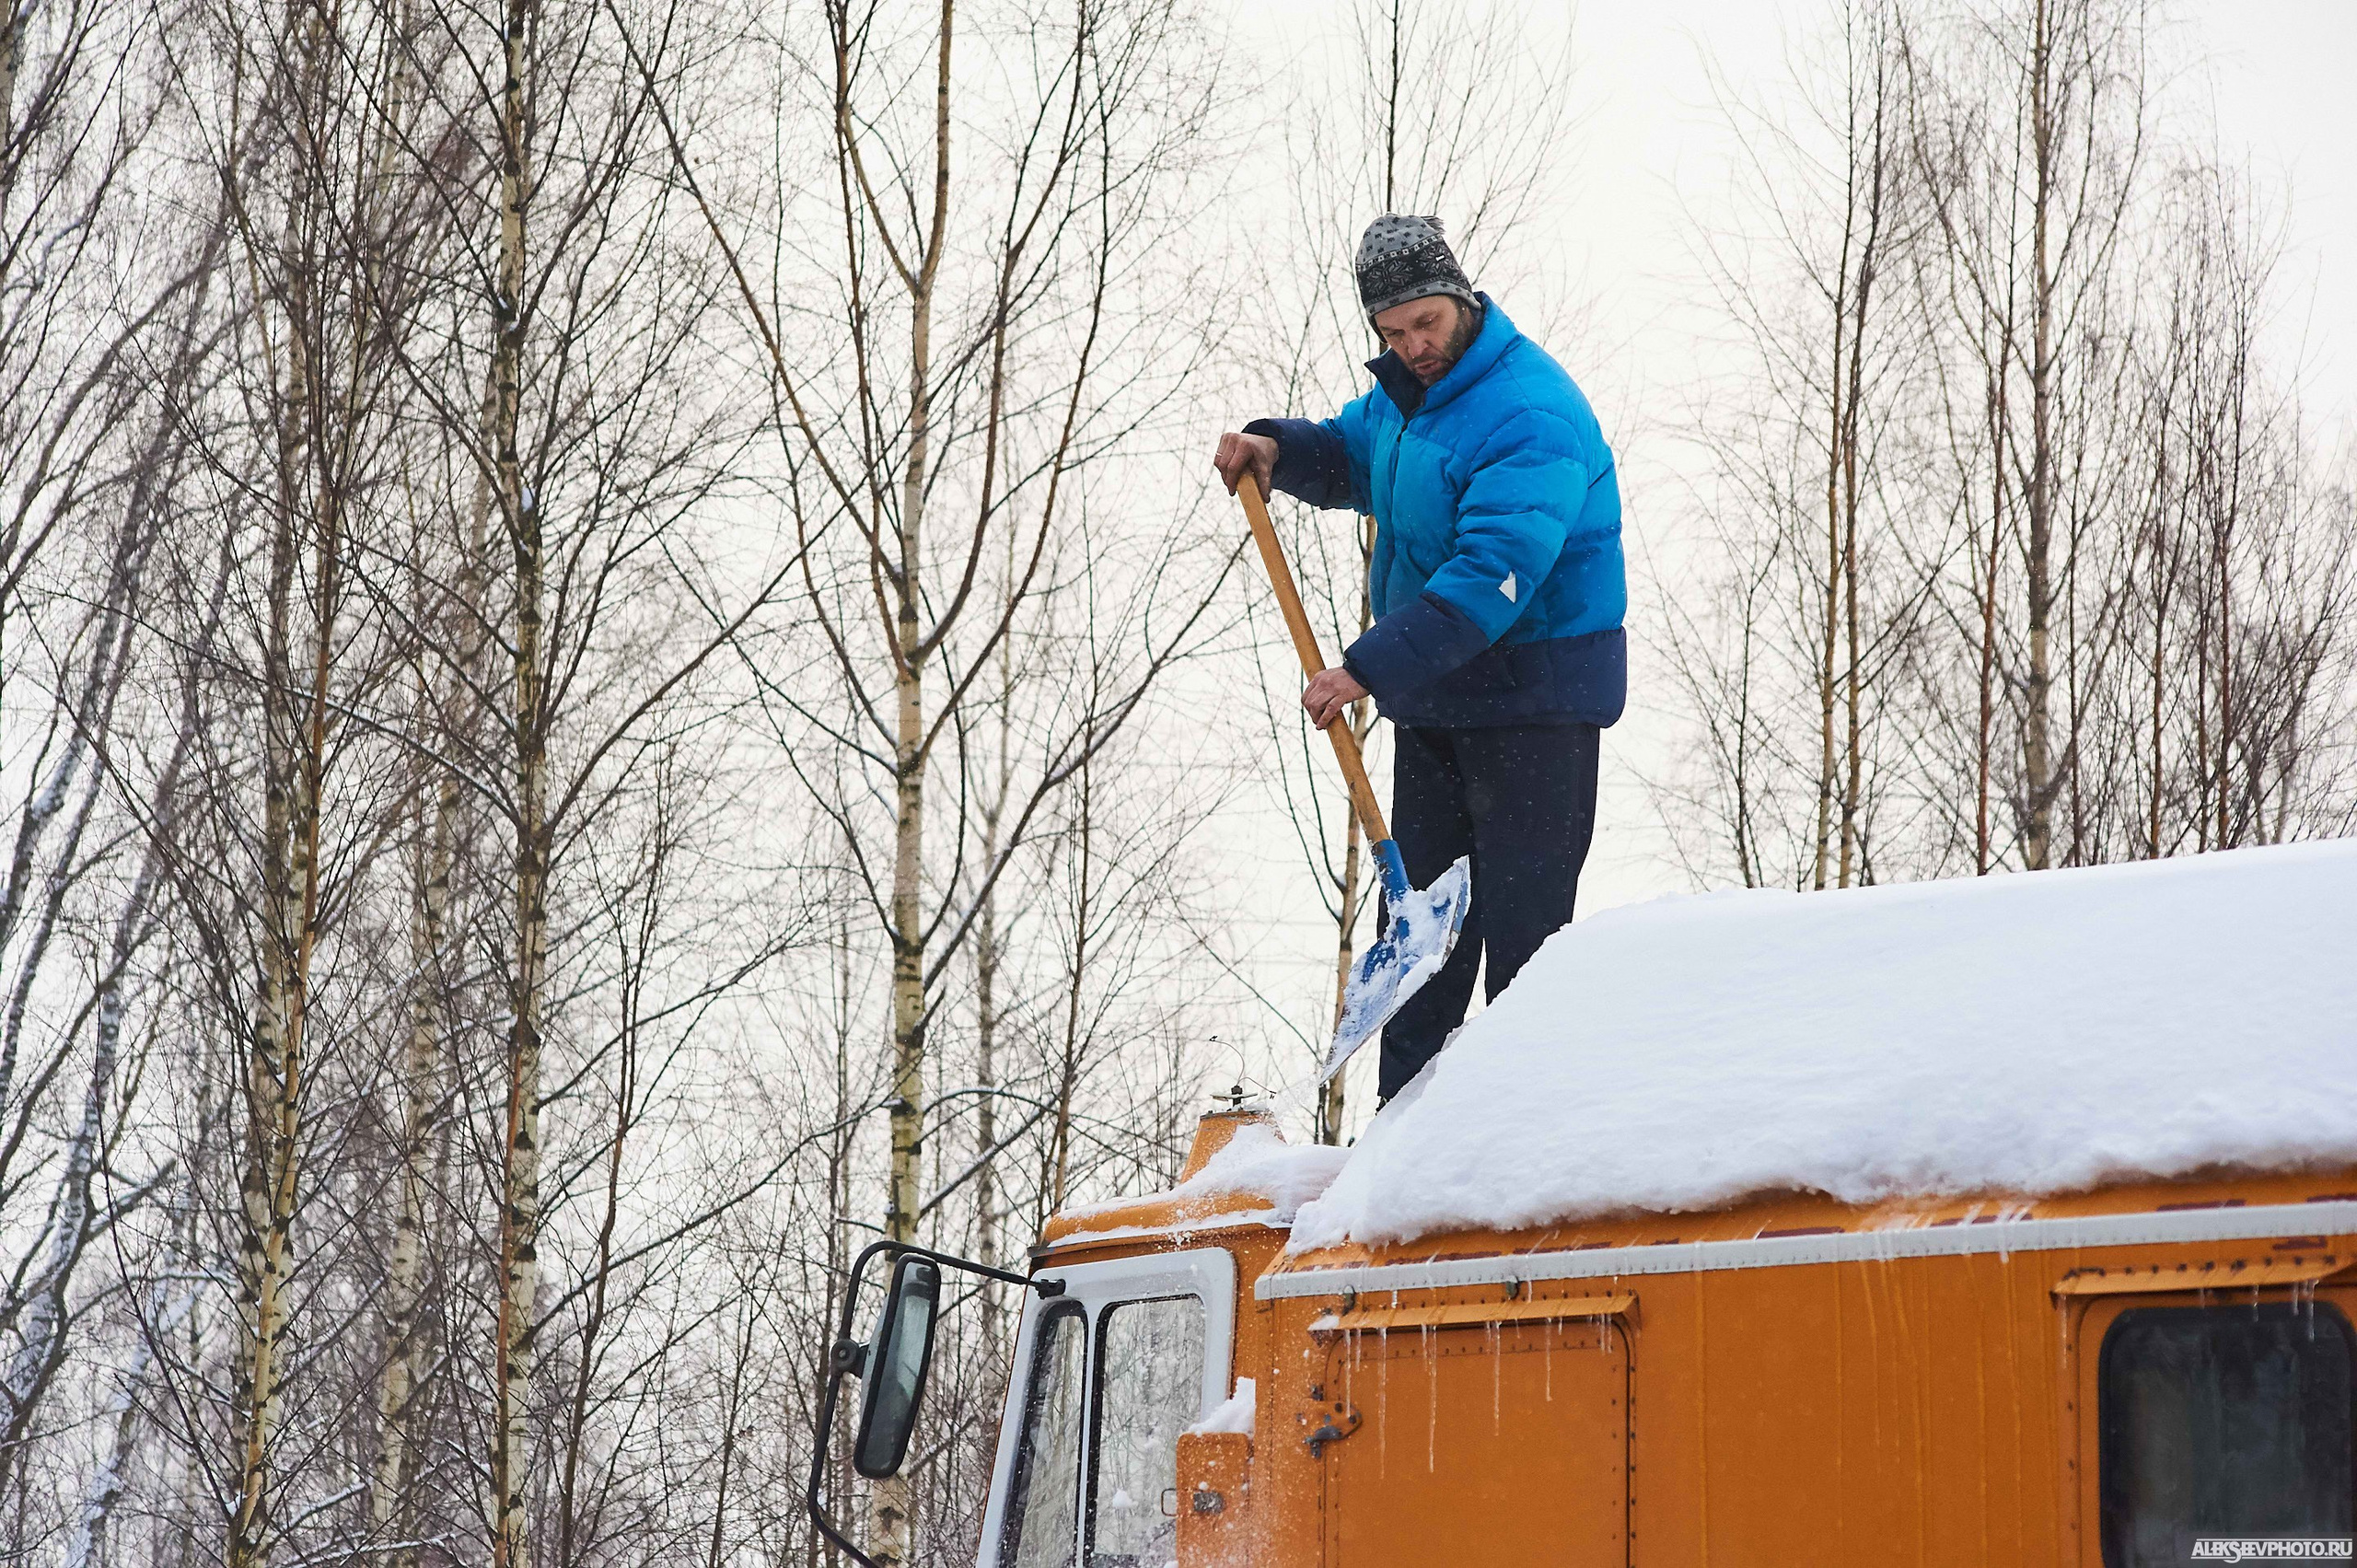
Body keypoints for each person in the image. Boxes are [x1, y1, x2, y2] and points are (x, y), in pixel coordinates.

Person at [1213, 214, 1626, 1104]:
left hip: (1535, 715)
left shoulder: (1530, 412)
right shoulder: (1410, 395)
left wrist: (1364, 667)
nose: (1413, 347)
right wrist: (1276, 450)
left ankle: (1523, 1155)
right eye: (1392, 334)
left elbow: (1490, 579)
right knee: (1419, 954)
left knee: (1524, 959)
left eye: (1425, 325)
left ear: (1461, 298)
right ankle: (1403, 1163)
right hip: (1441, 706)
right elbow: (1356, 450)